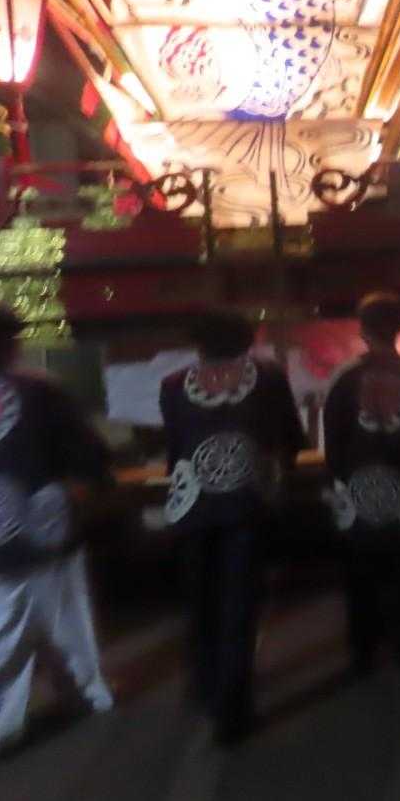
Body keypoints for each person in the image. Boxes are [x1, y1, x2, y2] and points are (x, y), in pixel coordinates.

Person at [159, 308, 304, 744]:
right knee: (239, 606)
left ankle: (205, 687)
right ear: (246, 339)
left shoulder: (173, 385)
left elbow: (175, 447)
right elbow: (289, 439)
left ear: (198, 342)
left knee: (201, 602)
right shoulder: (268, 377)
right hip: (246, 506)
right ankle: (232, 710)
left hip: (190, 505)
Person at [0, 305, 115, 753]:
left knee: (4, 628)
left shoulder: (39, 390)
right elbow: (87, 454)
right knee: (68, 622)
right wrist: (81, 490)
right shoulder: (40, 390)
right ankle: (87, 693)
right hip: (46, 527)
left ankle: (5, 719)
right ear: (11, 343)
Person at [322, 293, 400, 680]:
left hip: (358, 494)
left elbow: (333, 443)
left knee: (361, 577)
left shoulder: (344, 378)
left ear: (362, 330)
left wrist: (342, 484)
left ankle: (364, 654)